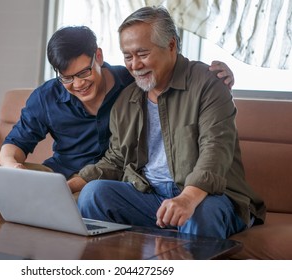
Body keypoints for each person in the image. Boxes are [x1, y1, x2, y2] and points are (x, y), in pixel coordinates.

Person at [0, 25, 236, 206]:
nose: (78, 84)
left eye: (84, 73)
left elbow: (169, 68)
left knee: (91, 198)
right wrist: (13, 169)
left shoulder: (131, 81)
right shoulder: (47, 97)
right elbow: (13, 146)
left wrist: (215, 75)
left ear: (98, 56)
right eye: (66, 78)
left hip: (111, 181)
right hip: (60, 178)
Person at [71, 7, 266, 239]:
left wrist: (187, 198)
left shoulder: (208, 84)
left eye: (142, 54)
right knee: (93, 193)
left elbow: (216, 149)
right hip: (149, 195)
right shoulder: (127, 100)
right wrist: (70, 185)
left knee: (199, 213)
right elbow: (116, 158)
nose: (134, 65)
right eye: (127, 56)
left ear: (171, 45)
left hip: (209, 197)